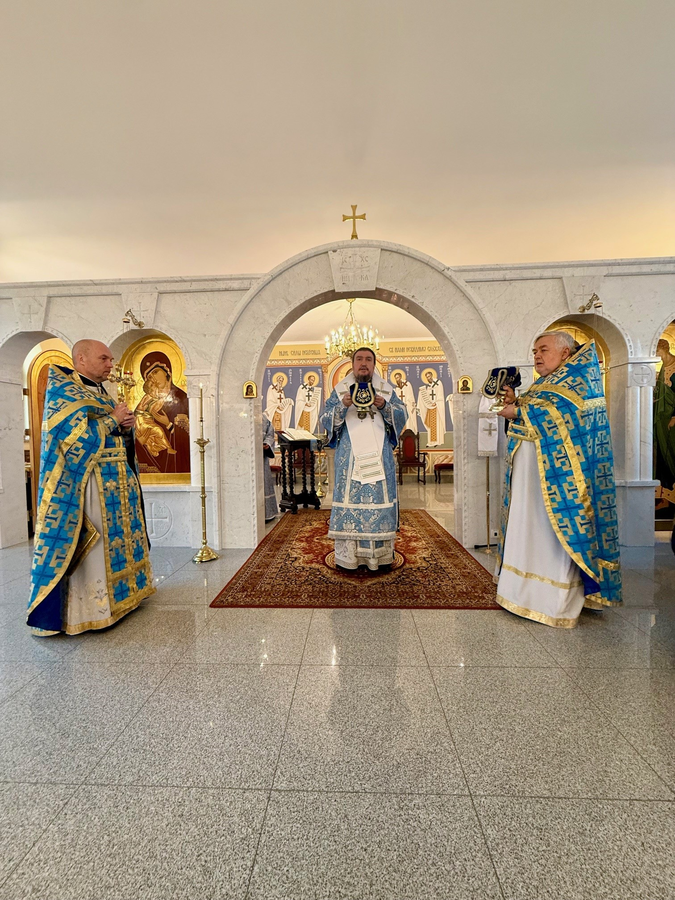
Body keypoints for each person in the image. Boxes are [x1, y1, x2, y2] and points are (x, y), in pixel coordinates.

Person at [27, 340, 154, 636]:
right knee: (97, 546)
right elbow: (71, 443)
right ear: (81, 359)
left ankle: (125, 599)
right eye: (104, 358)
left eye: (111, 359)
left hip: (118, 482)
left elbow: (114, 435)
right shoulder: (64, 391)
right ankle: (94, 610)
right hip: (90, 484)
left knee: (120, 540)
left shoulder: (101, 392)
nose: (111, 364)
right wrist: (113, 420)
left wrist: (126, 428)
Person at [494, 331, 622, 627]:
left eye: (543, 350)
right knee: (527, 529)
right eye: (534, 351)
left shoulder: (578, 381)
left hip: (558, 482)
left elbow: (564, 418)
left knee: (550, 536)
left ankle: (554, 601)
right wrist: (517, 403)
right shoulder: (543, 384)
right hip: (530, 479)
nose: (537, 356)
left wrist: (519, 411)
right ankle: (520, 593)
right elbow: (534, 416)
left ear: (565, 353)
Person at [320, 347, 407, 571]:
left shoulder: (386, 390)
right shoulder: (340, 391)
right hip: (349, 459)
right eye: (359, 359)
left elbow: (402, 415)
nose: (363, 363)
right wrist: (342, 406)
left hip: (380, 456)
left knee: (378, 499)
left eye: (368, 359)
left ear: (374, 364)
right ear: (353, 364)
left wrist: (385, 406)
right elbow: (325, 418)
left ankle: (379, 557)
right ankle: (349, 557)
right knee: (351, 499)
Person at [134, 351, 190, 476]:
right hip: (150, 463)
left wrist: (168, 425)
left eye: (155, 372)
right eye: (149, 377)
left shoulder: (182, 399)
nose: (153, 378)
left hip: (177, 464)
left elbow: (191, 436)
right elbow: (136, 427)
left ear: (167, 371)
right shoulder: (147, 401)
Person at [654, 338, 675, 510]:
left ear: (664, 349)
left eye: (658, 352)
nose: (657, 356)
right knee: (662, 455)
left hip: (672, 420)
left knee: (672, 455)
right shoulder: (663, 366)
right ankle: (665, 498)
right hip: (661, 418)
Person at [417, 368, 446, 446]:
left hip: (437, 407)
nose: (428, 378)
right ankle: (431, 442)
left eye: (429, 376)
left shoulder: (438, 383)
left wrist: (436, 402)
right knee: (431, 425)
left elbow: (440, 395)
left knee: (437, 425)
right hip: (430, 407)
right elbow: (427, 397)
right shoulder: (429, 387)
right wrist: (421, 393)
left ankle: (438, 441)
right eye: (427, 377)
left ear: (432, 375)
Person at [262, 412, 279, 521]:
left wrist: (266, 444)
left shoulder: (263, 418)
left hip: (261, 457)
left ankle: (268, 514)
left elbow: (270, 433)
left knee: (265, 482)